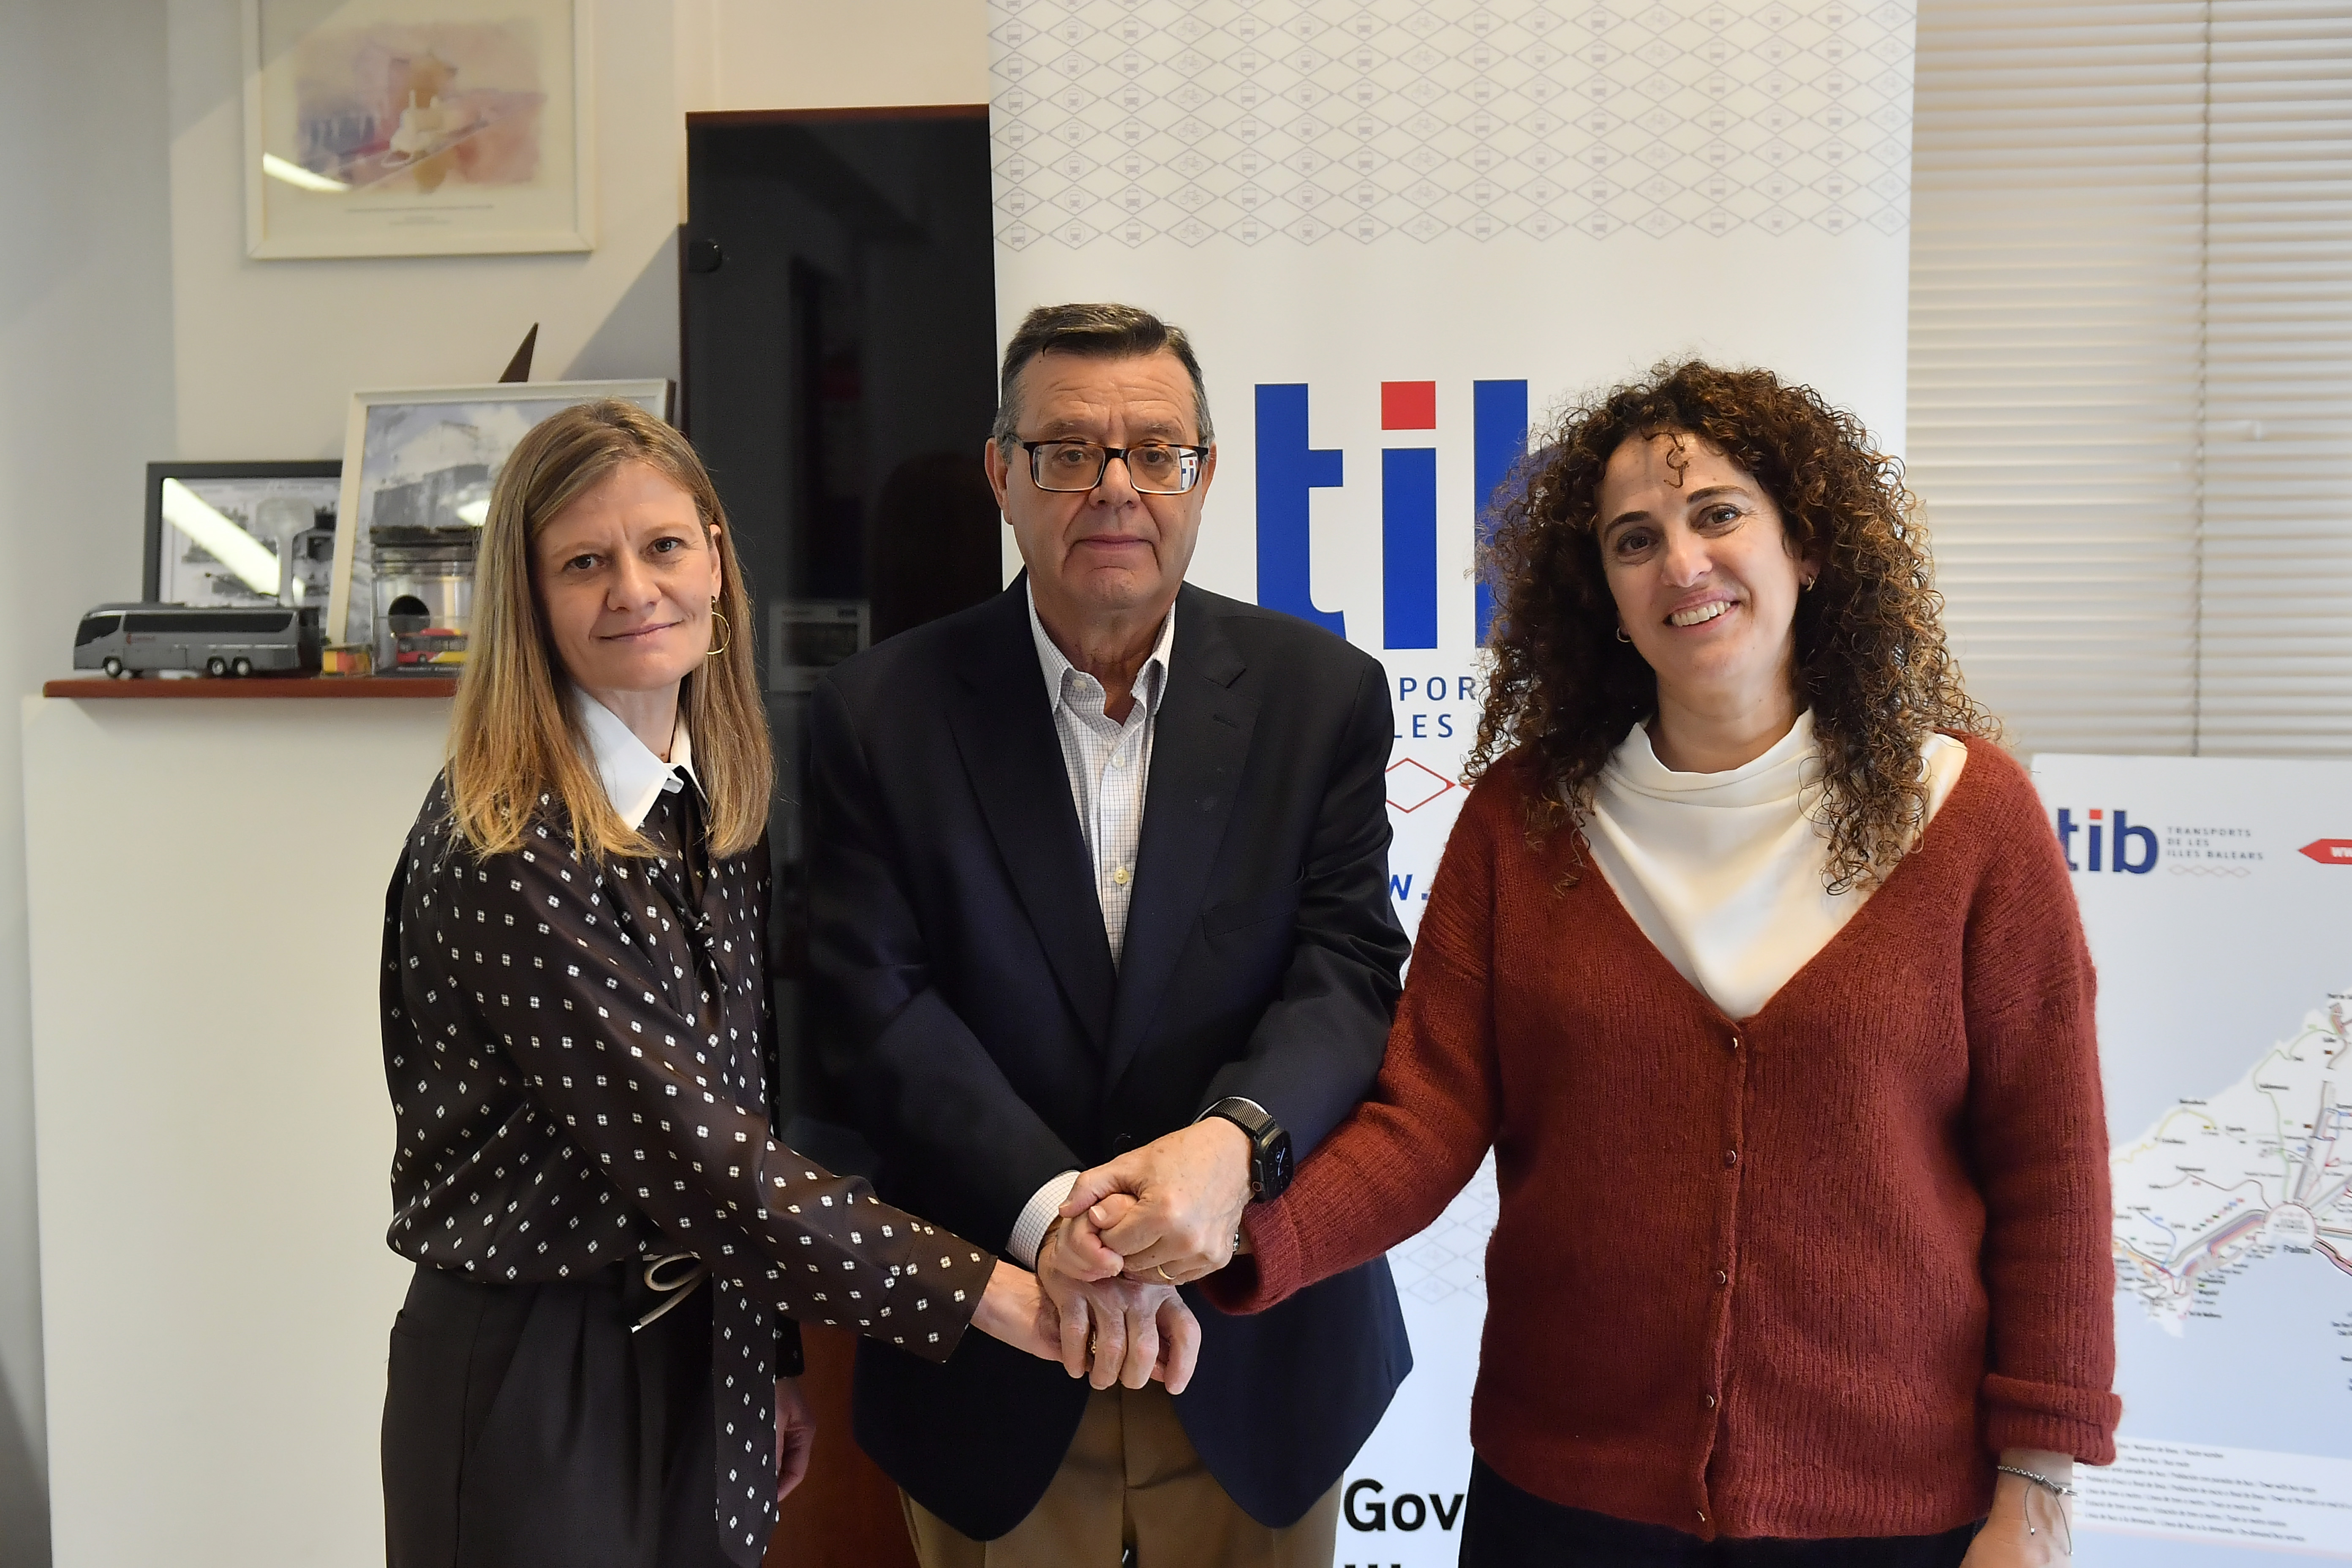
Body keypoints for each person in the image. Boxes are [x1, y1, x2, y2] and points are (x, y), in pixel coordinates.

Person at [1067, 362, 2121, 1567]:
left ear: (1810, 548)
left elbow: (2055, 1174)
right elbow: (1424, 1119)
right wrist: (1242, 1232)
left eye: (1720, 514)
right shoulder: (1529, 825)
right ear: (1604, 597)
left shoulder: (1970, 818)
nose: (1683, 564)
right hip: (1567, 1502)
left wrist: (2037, 1490)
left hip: (1893, 1510)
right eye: (1636, 540)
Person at [375, 400, 1179, 1568]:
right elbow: (706, 1161)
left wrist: (771, 1360)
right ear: (529, 601)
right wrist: (1011, 1298)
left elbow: (741, 1096)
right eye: (584, 563)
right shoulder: (509, 850)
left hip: (703, 1344)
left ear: (714, 556)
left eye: (662, 547)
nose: (635, 591)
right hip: (538, 1376)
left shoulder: (712, 800)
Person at [805, 302, 1414, 1567]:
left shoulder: (1322, 697)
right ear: (1004, 476)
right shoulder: (879, 715)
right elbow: (874, 1008)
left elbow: (1347, 970)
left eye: (1156, 452)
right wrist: (1055, 1217)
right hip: (994, 1342)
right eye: (1071, 452)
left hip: (1257, 1346)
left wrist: (1229, 1152)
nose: (1116, 488)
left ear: (1205, 474)